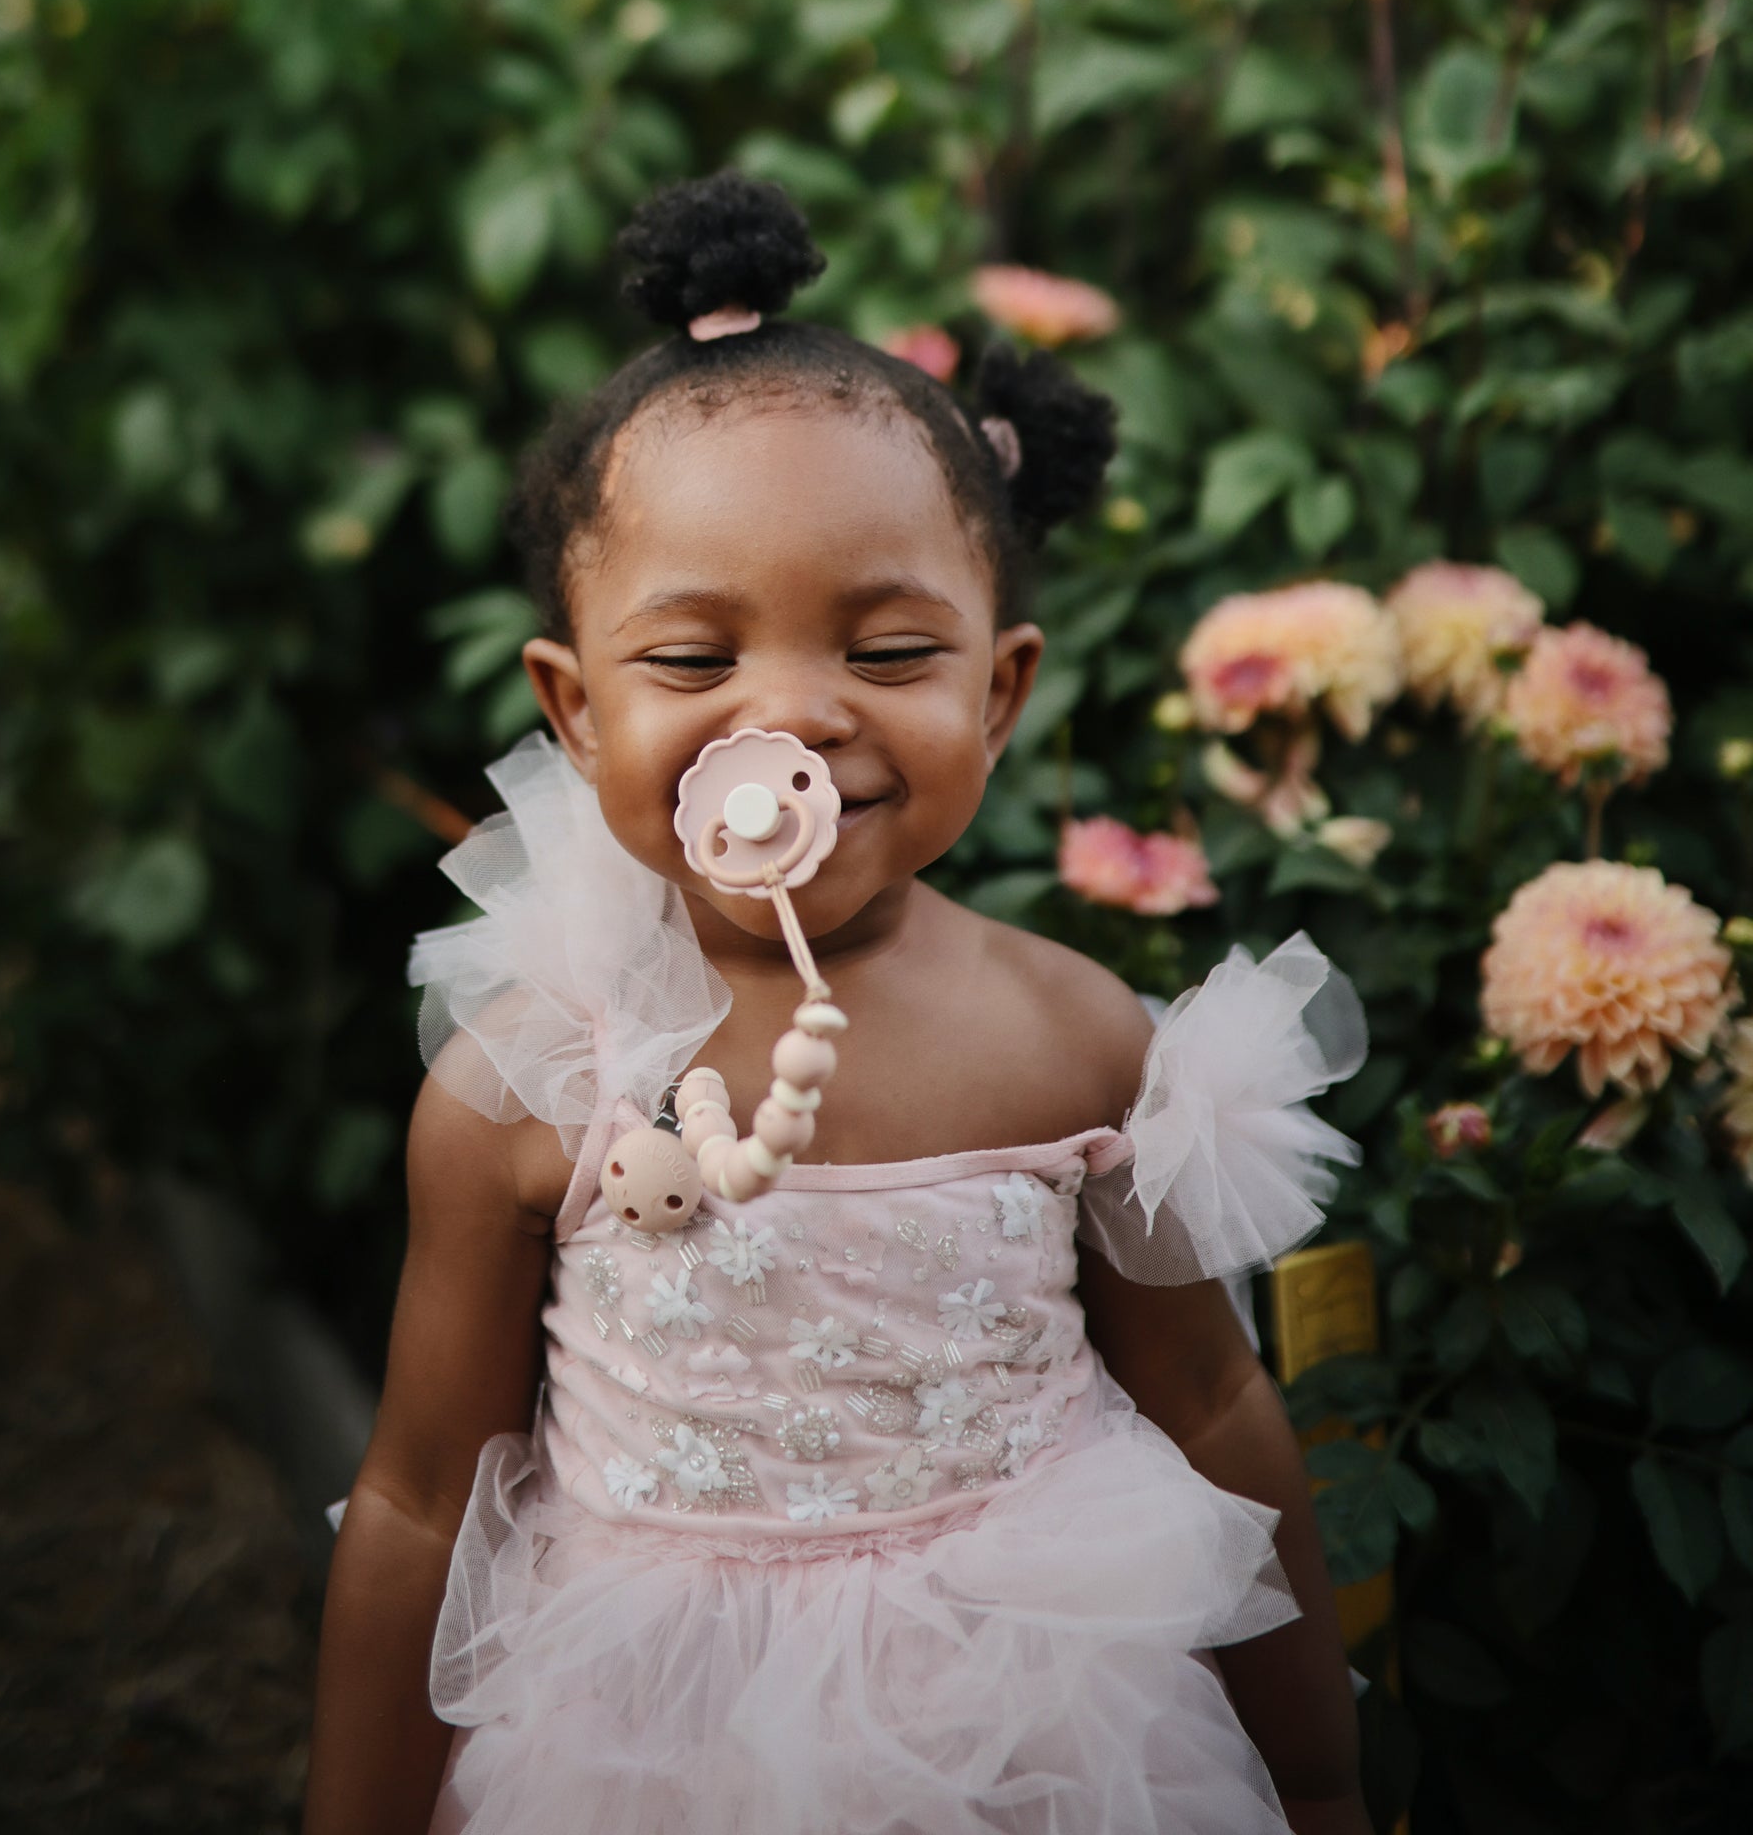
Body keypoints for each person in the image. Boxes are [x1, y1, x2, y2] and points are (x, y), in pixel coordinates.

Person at [305, 171, 1374, 1835]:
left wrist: (1316, 1784)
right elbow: (421, 1494)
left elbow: (1215, 1405)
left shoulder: (1075, 1041)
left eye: (886, 655)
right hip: (647, 1743)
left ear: (999, 692)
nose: (792, 720)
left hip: (1046, 1723)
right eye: (693, 661)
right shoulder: (534, 1079)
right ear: (575, 713)